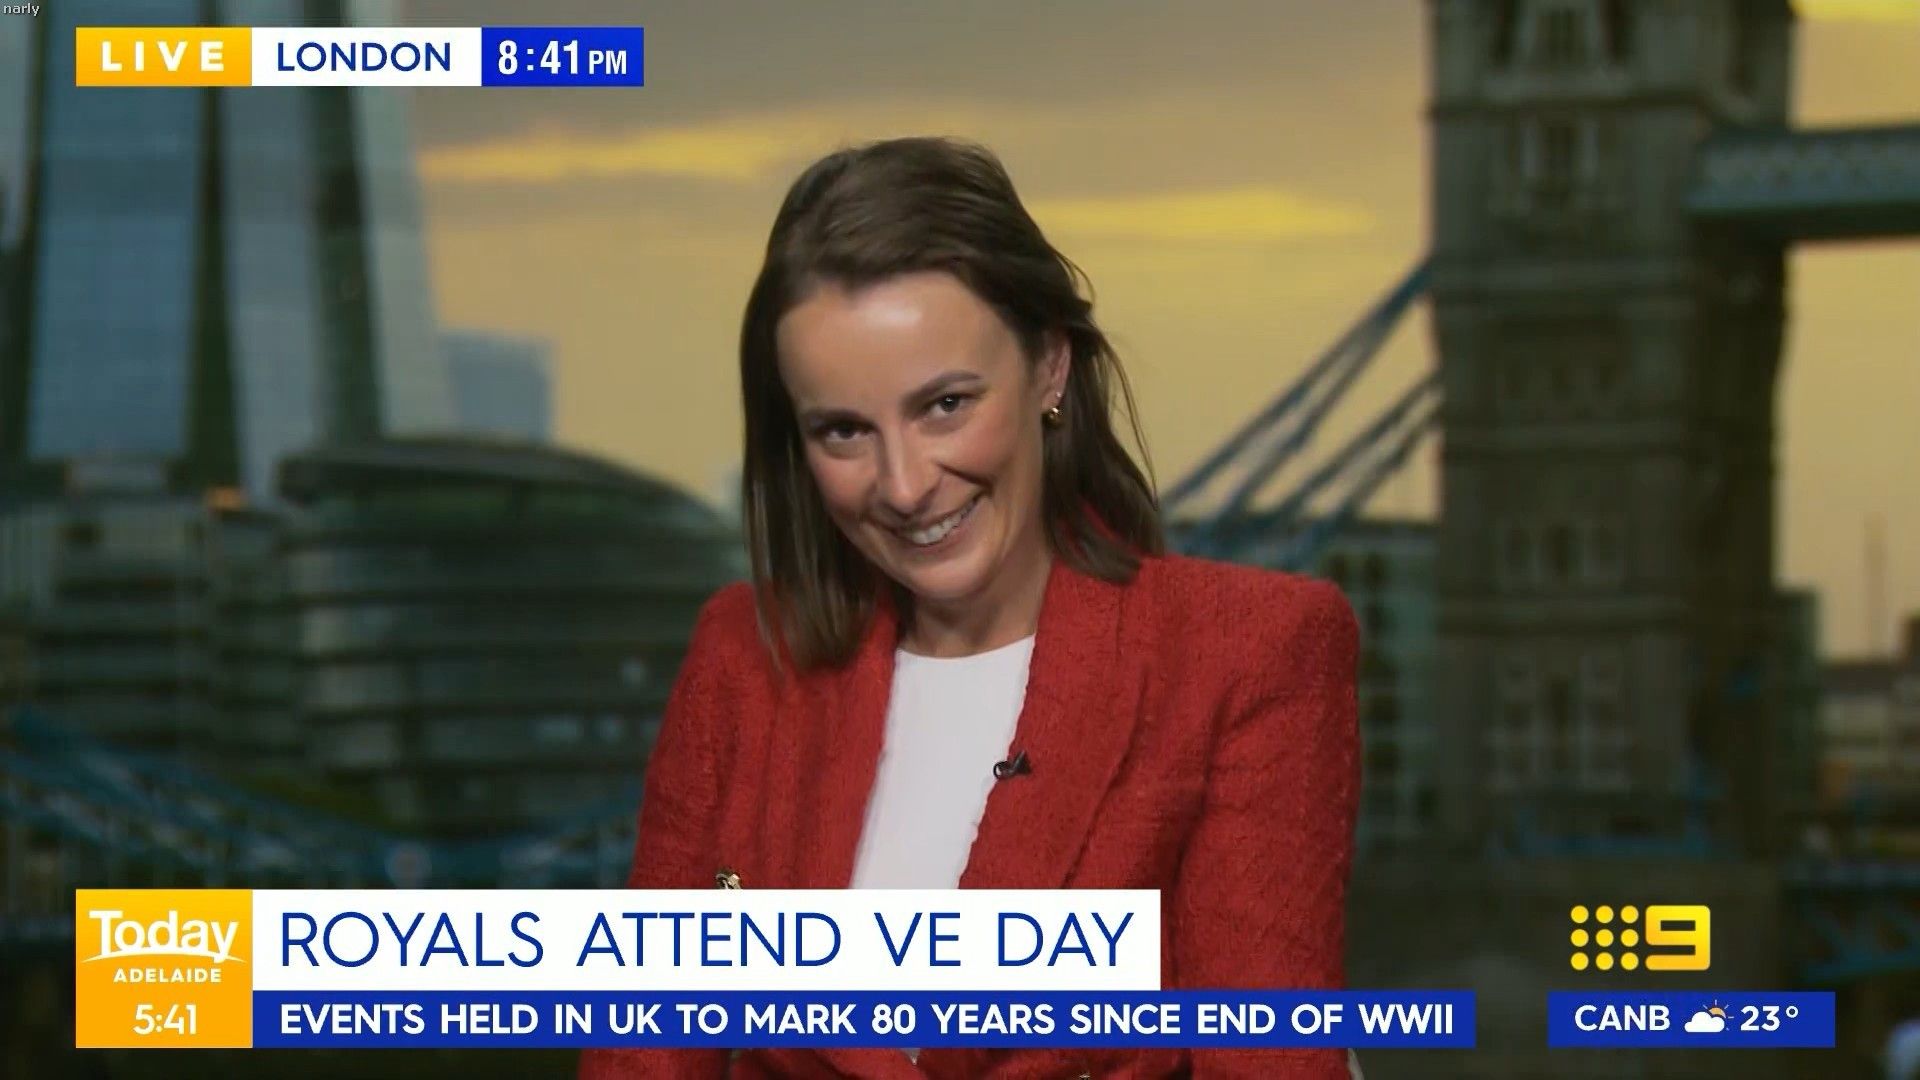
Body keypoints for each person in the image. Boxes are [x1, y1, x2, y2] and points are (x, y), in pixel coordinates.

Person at [579, 136, 1362, 1079]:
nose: (906, 485)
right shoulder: (742, 656)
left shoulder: (1249, 653)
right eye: (843, 431)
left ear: (1050, 368)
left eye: (945, 405)